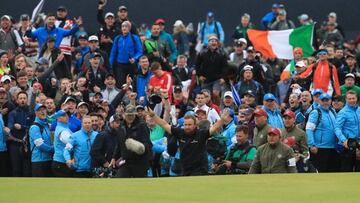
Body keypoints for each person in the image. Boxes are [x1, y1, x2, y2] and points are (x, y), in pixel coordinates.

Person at [148, 106, 231, 176]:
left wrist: (222, 120)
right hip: (185, 169)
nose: (187, 127)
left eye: (190, 125)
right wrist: (153, 116)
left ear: (195, 125)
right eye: (185, 125)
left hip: (200, 170)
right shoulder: (180, 132)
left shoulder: (201, 134)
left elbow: (214, 128)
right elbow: (164, 124)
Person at [112, 105, 152, 178]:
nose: (130, 117)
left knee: (140, 185)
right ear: (124, 114)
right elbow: (119, 143)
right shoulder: (121, 126)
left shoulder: (142, 125)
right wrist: (114, 157)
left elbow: (148, 143)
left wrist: (140, 148)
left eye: (132, 115)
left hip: (140, 162)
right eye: (128, 115)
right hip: (126, 161)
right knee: (119, 180)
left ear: (135, 114)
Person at [306, 93, 339, 172]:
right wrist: (312, 144)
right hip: (319, 149)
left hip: (333, 148)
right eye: (323, 100)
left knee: (332, 173)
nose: (325, 102)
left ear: (330, 101)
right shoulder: (315, 112)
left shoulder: (333, 111)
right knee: (320, 173)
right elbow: (309, 129)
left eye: (327, 100)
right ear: (319, 101)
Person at [7, 91, 33, 177]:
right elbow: (10, 126)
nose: (22, 100)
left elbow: (33, 128)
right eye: (20, 98)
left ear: (27, 100)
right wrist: (9, 129)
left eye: (24, 98)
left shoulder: (31, 113)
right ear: (17, 100)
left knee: (27, 170)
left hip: (27, 145)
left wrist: (22, 127)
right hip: (15, 145)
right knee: (16, 169)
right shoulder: (13, 113)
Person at [109, 21, 143, 87]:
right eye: (123, 26)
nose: (124, 28)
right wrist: (110, 65)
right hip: (120, 66)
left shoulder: (134, 38)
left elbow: (140, 51)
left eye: (126, 26)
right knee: (120, 85)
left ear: (129, 28)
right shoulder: (117, 38)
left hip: (131, 65)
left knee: (132, 85)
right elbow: (113, 53)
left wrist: (135, 58)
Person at [195, 34, 227, 102]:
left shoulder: (222, 53)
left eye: (215, 41)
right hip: (206, 79)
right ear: (208, 43)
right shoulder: (202, 53)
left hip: (217, 79)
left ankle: (218, 109)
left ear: (217, 43)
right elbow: (197, 65)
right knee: (205, 97)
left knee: (215, 94)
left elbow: (225, 66)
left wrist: (223, 77)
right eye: (211, 41)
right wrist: (199, 75)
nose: (213, 42)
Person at [335, 90, 360, 172]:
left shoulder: (359, 110)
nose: (352, 100)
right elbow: (337, 128)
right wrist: (344, 140)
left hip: (358, 144)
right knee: (346, 169)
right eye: (349, 99)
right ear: (346, 99)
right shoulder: (343, 112)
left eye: (353, 98)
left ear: (356, 99)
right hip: (347, 144)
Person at [29, 104, 54, 177]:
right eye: (39, 110)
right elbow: (40, 145)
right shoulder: (34, 127)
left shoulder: (47, 125)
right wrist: (54, 149)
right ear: (36, 113)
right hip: (38, 161)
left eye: (44, 110)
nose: (42, 112)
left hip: (48, 159)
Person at [52, 109, 73, 177]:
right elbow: (71, 142)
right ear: (58, 118)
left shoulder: (65, 128)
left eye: (67, 115)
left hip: (62, 161)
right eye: (63, 115)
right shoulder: (62, 130)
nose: (67, 116)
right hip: (61, 162)